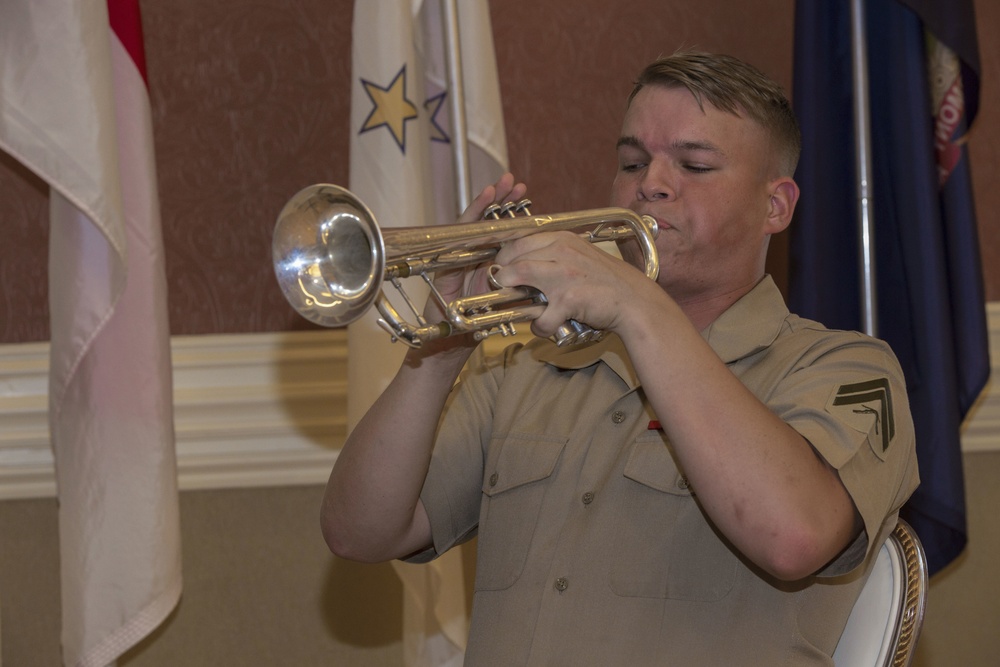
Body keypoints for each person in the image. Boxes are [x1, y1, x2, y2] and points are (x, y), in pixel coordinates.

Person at [321, 51, 919, 665]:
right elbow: (358, 531)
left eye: (695, 164)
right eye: (632, 161)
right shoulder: (523, 365)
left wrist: (639, 305)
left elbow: (794, 537)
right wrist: (442, 342)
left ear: (776, 206)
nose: (650, 183)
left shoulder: (844, 368)